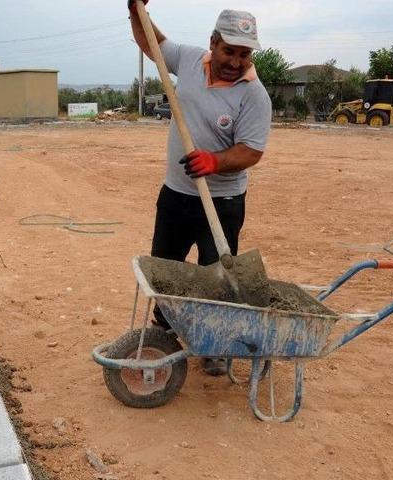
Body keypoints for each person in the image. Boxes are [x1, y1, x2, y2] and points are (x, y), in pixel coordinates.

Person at [129, 2, 272, 375]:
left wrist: (214, 161)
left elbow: (251, 151)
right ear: (213, 43)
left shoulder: (254, 95)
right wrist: (134, 10)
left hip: (222, 202)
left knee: (216, 277)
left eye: (244, 54)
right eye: (229, 51)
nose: (236, 61)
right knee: (165, 268)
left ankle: (215, 344)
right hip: (176, 195)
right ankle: (165, 330)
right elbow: (152, 43)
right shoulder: (190, 60)